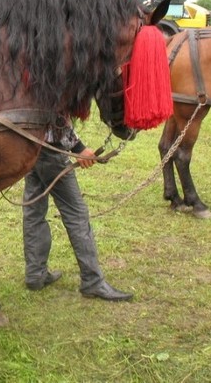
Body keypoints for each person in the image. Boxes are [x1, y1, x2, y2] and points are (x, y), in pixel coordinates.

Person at [22, 119, 133, 301]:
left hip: (31, 146)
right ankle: (93, 282)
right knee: (77, 214)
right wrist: (79, 148)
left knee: (34, 211)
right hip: (51, 151)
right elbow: (55, 113)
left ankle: (35, 274)